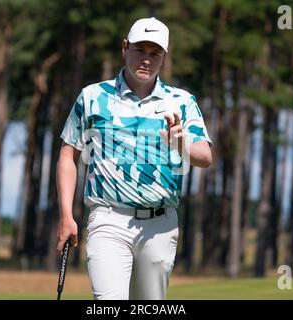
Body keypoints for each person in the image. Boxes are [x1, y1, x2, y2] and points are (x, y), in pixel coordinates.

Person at [56, 17, 213, 300]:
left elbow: (205, 157)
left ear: (164, 57)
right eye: (140, 49)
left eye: (155, 53)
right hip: (107, 218)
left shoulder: (181, 102)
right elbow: (68, 155)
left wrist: (181, 142)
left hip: (160, 224)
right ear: (125, 48)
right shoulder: (92, 97)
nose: (146, 59)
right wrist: (66, 216)